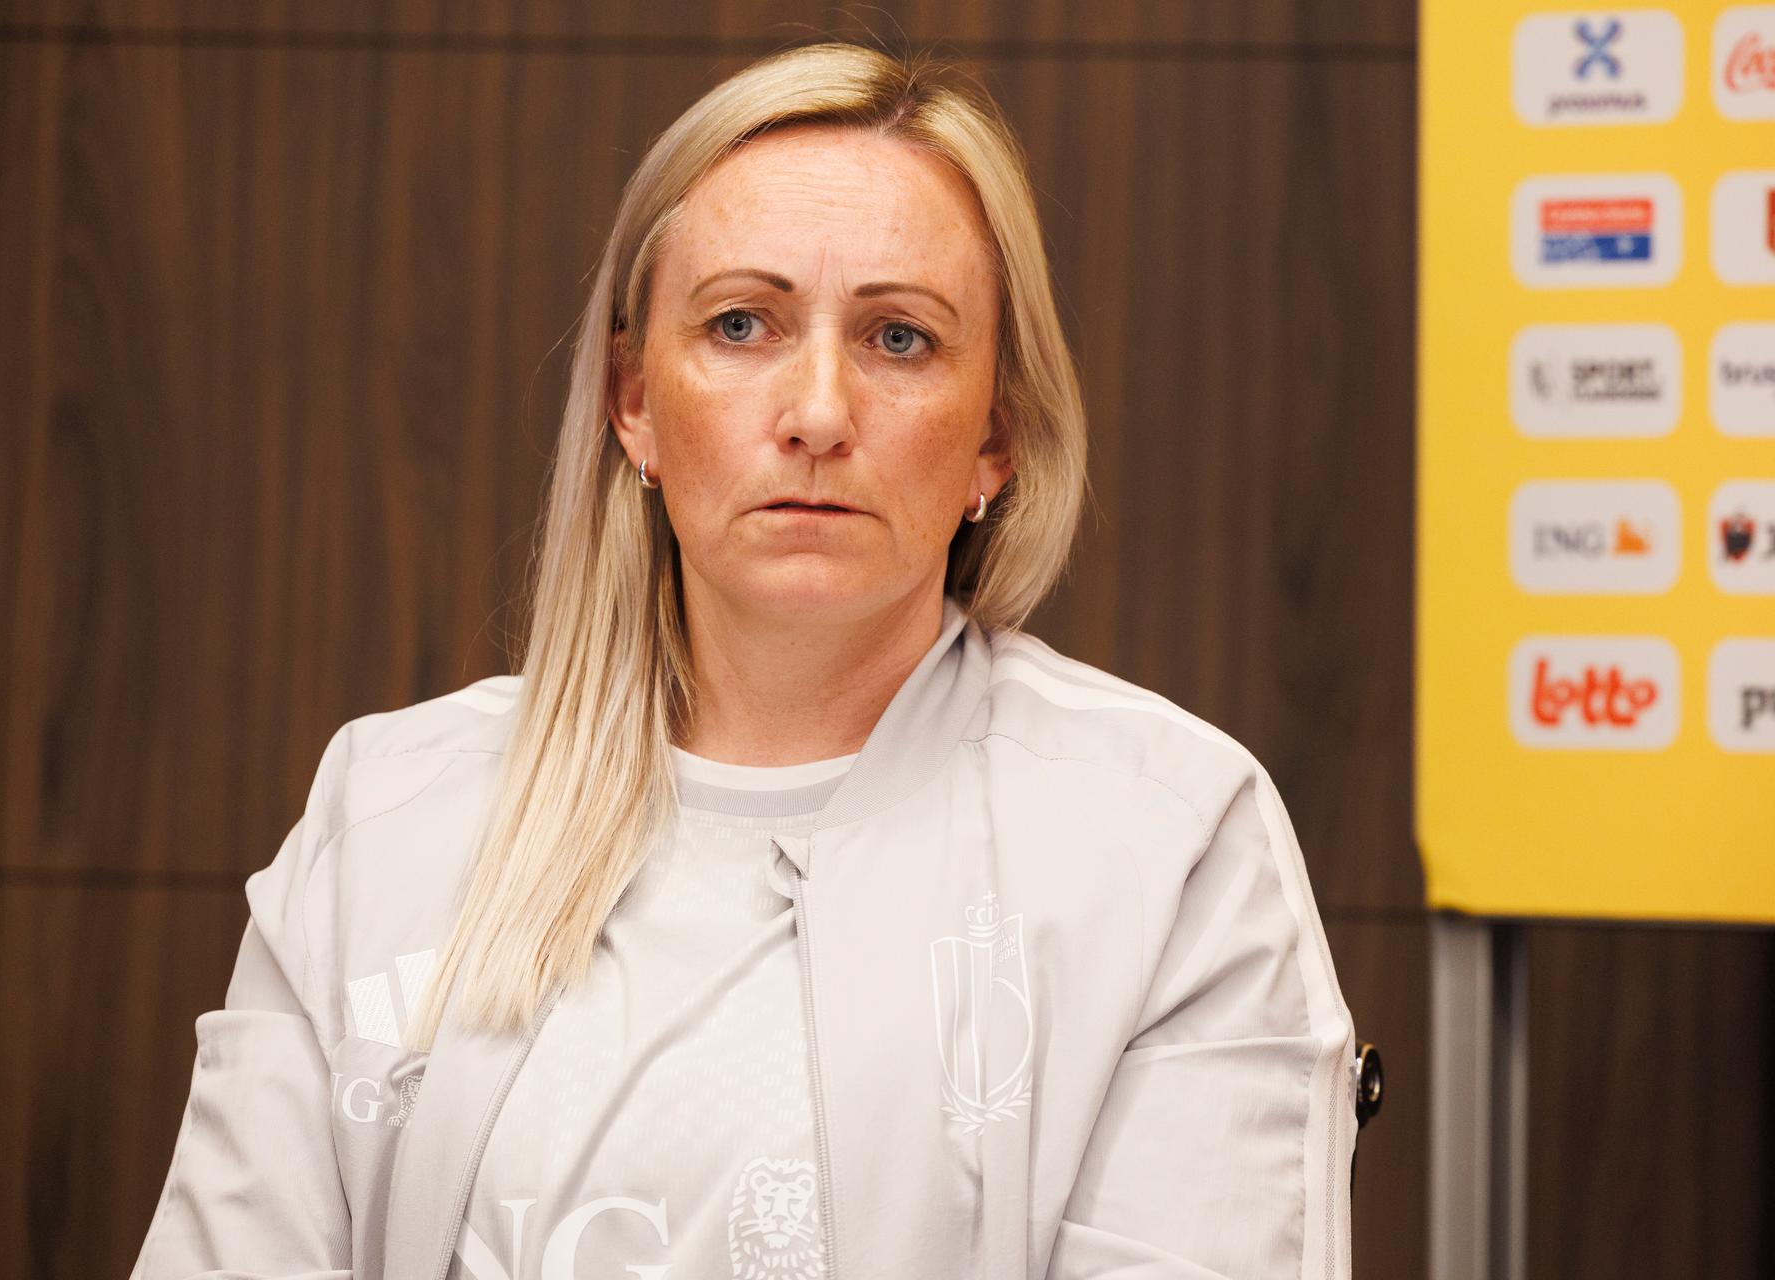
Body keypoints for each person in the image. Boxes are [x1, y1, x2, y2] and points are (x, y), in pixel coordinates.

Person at [132, 41, 1357, 1280]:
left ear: (998, 434)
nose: (818, 412)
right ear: (633, 402)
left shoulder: (1167, 841)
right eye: (739, 324)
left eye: (899, 338)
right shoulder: (389, 811)